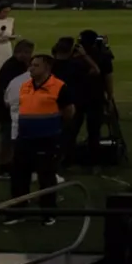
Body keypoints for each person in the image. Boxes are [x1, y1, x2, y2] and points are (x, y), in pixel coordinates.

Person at [8, 52, 64, 221]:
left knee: (46, 177)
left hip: (46, 139)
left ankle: (48, 214)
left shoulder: (59, 86)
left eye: (36, 65)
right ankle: (18, 212)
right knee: (19, 176)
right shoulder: (25, 85)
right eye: (31, 64)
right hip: (24, 138)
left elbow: (69, 111)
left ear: (47, 68)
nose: (31, 68)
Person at [48, 35, 97, 168]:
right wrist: (85, 56)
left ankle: (56, 158)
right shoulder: (77, 65)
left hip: (52, 103)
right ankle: (66, 159)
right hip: (74, 103)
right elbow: (95, 70)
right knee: (70, 133)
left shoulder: (49, 65)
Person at [0, 40, 32, 169]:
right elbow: (7, 90)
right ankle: (3, 168)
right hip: (6, 109)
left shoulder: (16, 65)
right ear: (19, 52)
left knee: (10, 138)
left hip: (7, 107)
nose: (29, 56)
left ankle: (8, 164)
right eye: (27, 53)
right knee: (7, 139)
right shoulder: (13, 67)